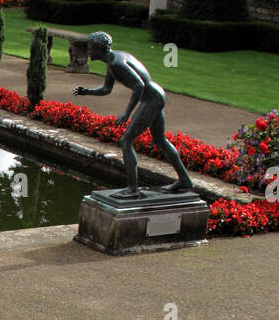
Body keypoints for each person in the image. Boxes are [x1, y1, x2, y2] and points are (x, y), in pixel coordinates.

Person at [72, 31, 194, 197]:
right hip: (155, 96)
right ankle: (184, 179)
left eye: (90, 48)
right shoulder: (113, 60)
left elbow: (139, 86)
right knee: (160, 140)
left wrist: (126, 113)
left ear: (100, 49)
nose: (88, 52)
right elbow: (107, 89)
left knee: (126, 140)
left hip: (151, 99)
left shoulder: (116, 64)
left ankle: (132, 188)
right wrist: (87, 92)